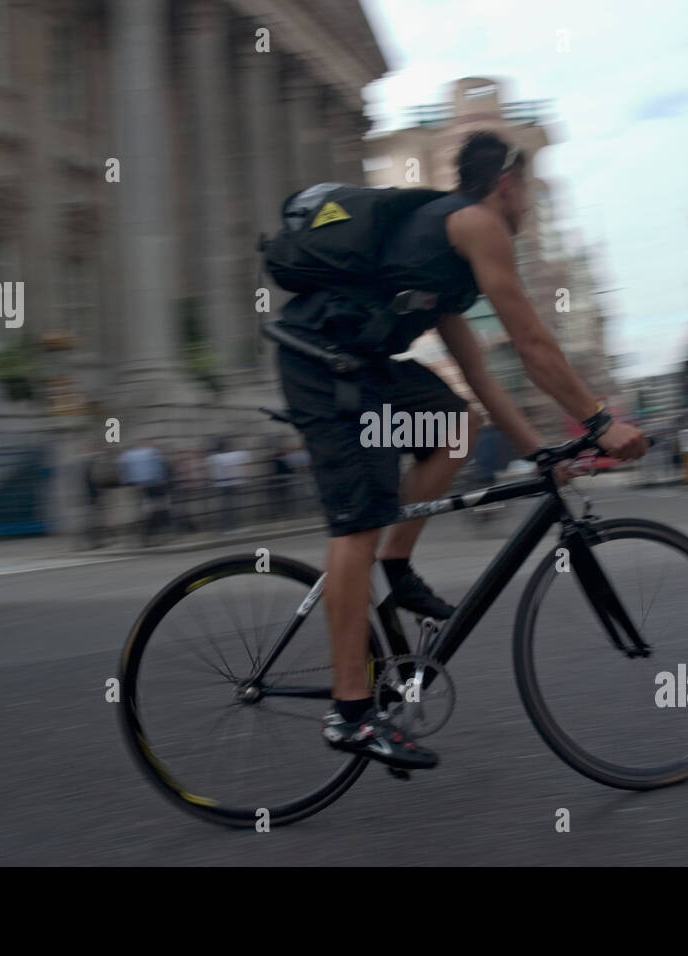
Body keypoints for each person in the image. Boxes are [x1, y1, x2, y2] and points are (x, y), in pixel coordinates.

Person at [274, 130, 647, 770]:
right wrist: (598, 418)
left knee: (455, 424)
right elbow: (530, 342)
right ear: (507, 184)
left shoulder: (444, 256)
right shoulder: (477, 225)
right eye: (526, 188)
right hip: (323, 364)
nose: (528, 203)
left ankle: (398, 567)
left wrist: (537, 452)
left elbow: (478, 371)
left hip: (358, 362)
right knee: (356, 523)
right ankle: (351, 713)